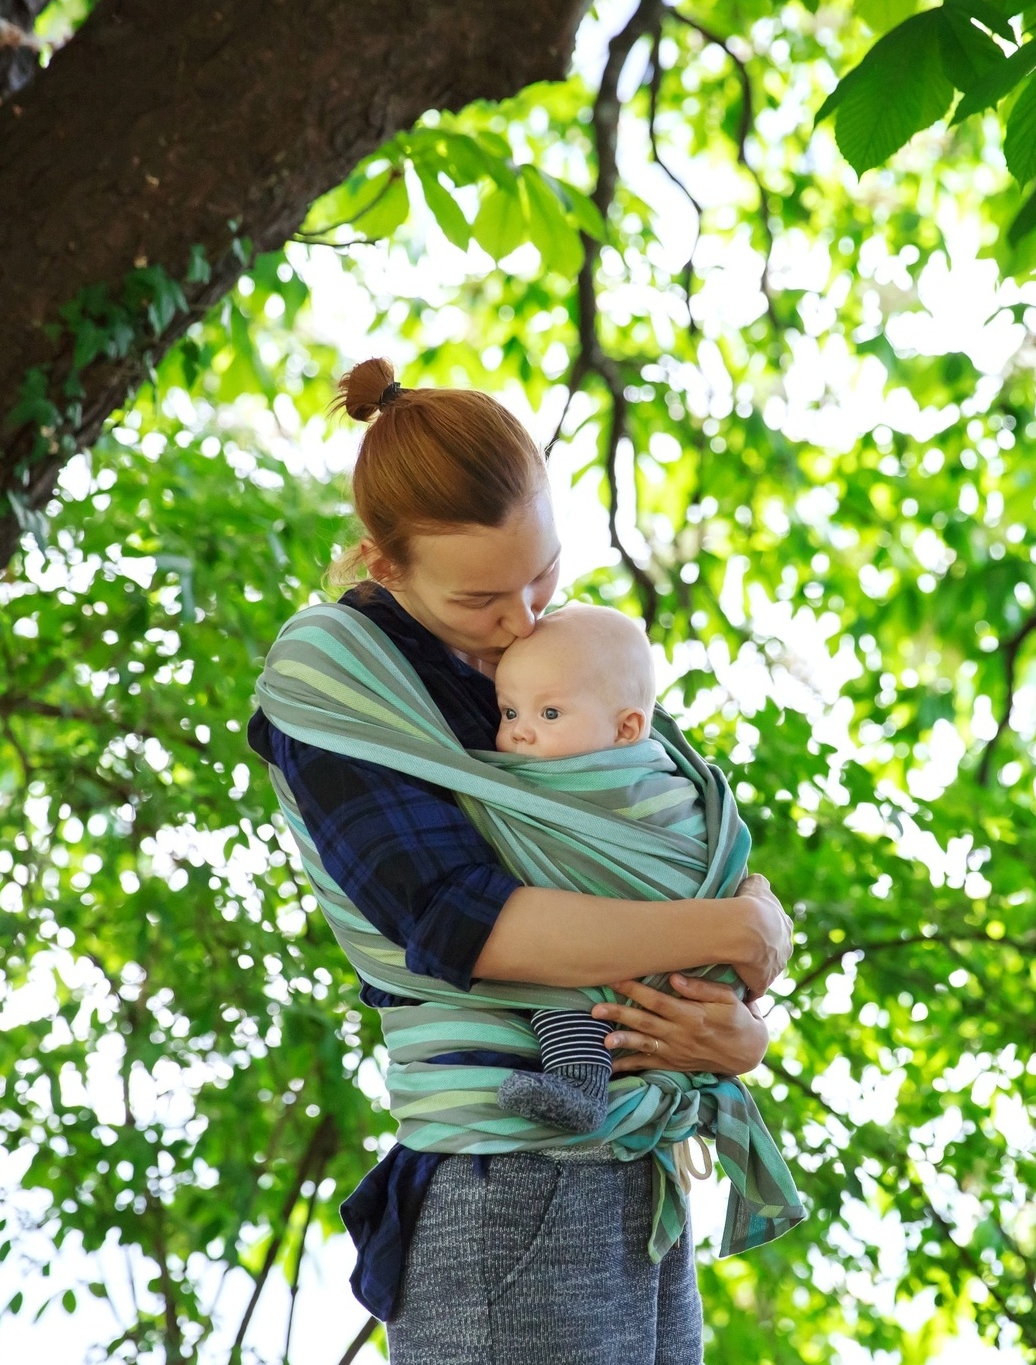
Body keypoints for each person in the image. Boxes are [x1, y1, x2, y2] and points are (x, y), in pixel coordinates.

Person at [247, 357, 794, 1365]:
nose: (522, 618)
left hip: (638, 1163)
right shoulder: (337, 669)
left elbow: (668, 837)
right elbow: (463, 918)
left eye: (542, 571)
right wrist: (738, 928)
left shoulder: (556, 652)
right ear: (383, 563)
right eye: (481, 597)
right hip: (509, 1181)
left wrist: (733, 1020)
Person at [491, 601, 744, 1136]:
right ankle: (585, 1083)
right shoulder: (525, 781)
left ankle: (579, 1084)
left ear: (627, 728)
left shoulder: (657, 783)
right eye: (509, 712)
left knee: (559, 980)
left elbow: (714, 847)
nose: (520, 733)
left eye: (549, 713)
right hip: (679, 963)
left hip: (671, 970)